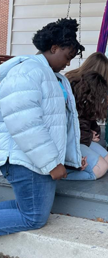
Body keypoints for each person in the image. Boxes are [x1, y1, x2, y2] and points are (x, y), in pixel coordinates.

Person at [0, 18, 85, 235]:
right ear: (54, 48)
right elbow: (25, 123)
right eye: (68, 56)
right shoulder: (28, 71)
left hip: (34, 158)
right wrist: (51, 164)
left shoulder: (52, 76)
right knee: (33, 217)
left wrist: (68, 158)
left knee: (27, 210)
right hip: (27, 160)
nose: (69, 63)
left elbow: (57, 122)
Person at [66, 71, 108, 180]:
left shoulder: (88, 104)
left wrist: (93, 133)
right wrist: (89, 136)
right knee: (99, 169)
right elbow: (74, 133)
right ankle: (63, 175)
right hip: (73, 143)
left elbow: (92, 126)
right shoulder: (75, 103)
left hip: (84, 141)